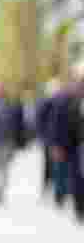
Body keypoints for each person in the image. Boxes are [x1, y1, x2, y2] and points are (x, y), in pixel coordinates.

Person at [48, 59, 84, 222]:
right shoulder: (66, 97)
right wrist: (56, 144)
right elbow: (57, 122)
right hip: (73, 145)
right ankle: (79, 209)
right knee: (76, 177)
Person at [36, 79, 66, 204]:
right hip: (49, 140)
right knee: (49, 165)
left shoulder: (62, 102)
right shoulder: (46, 103)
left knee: (56, 165)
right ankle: (49, 189)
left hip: (57, 139)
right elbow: (40, 122)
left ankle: (57, 191)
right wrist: (43, 137)